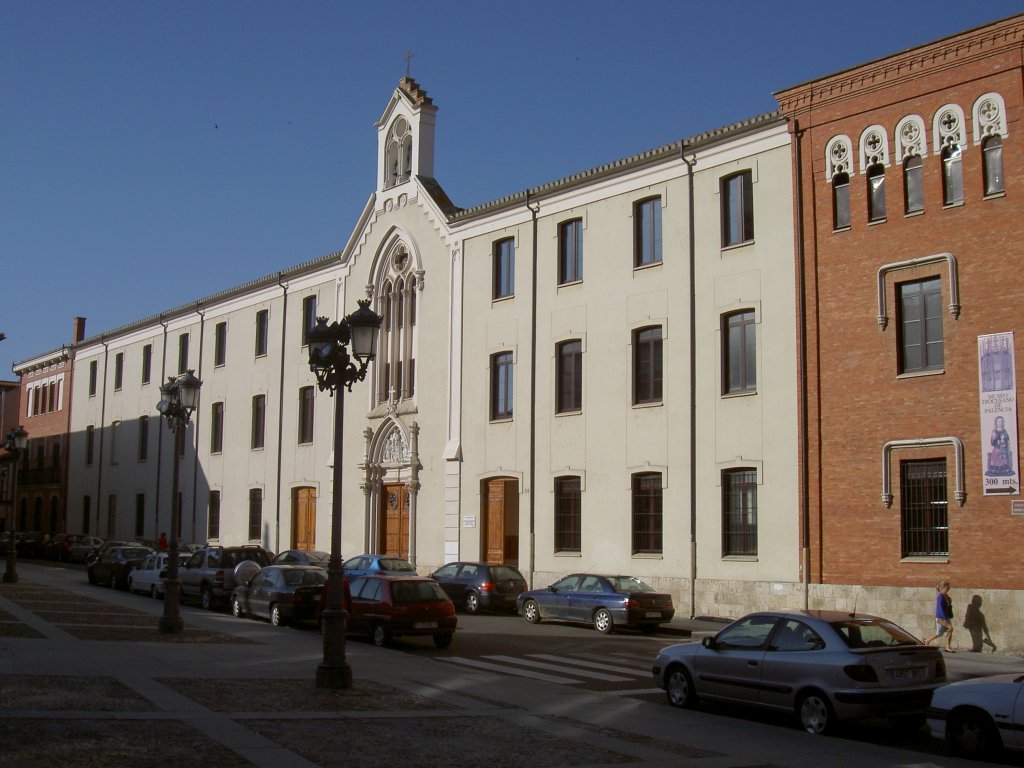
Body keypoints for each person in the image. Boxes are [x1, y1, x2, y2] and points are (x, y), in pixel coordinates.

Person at [924, 580, 955, 651]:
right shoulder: (940, 596)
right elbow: (939, 608)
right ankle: (928, 640)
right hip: (941, 618)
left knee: (948, 630)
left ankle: (947, 647)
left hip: (946, 617)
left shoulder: (946, 596)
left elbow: (947, 606)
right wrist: (943, 619)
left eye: (949, 587)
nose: (949, 588)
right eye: (947, 587)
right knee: (942, 632)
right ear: (943, 587)